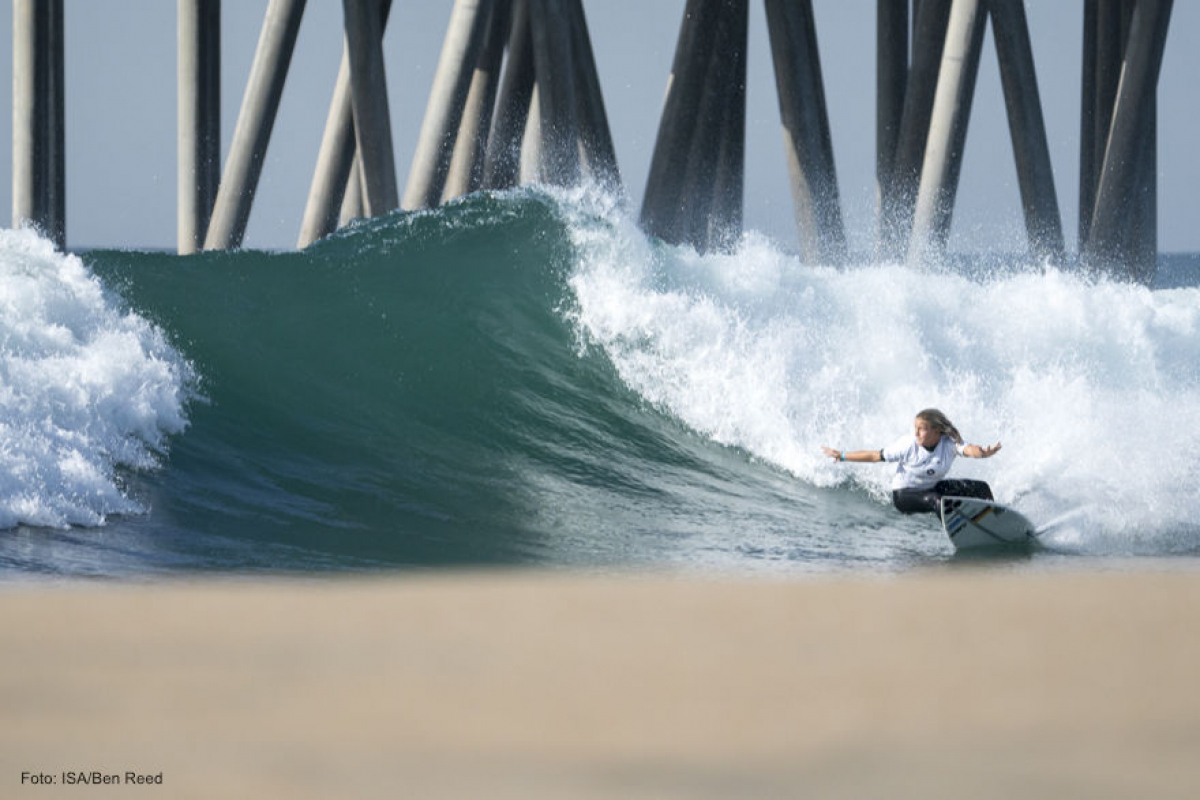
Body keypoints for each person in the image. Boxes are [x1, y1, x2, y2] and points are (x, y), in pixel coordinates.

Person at [822, 408, 1002, 515]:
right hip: (904, 496)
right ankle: (961, 531)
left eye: (921, 429)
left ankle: (994, 519)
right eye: (915, 428)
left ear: (937, 431)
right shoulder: (908, 445)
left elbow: (969, 449)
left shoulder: (948, 444)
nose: (916, 433)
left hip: (931, 489)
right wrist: (842, 455)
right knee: (937, 500)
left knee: (981, 488)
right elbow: (875, 456)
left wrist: (984, 453)